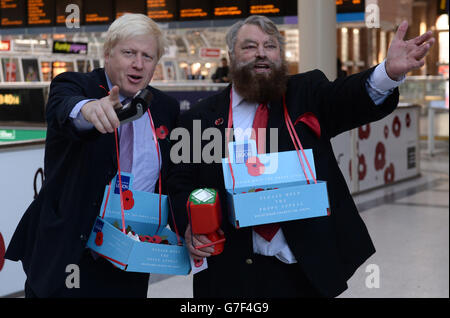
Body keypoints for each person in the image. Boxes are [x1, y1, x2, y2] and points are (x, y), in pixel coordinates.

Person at [167, 15, 434, 298]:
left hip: (302, 268)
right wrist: (190, 226)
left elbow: (346, 97)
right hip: (230, 270)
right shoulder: (200, 117)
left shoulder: (306, 93)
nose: (261, 53)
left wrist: (387, 73)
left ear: (280, 55)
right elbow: (179, 183)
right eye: (249, 46)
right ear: (231, 55)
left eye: (270, 46)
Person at [5, 13, 179, 298]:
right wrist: (88, 110)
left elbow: (172, 178)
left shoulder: (164, 108)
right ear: (107, 54)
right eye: (129, 53)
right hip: (69, 254)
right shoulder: (73, 85)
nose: (138, 63)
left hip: (129, 258)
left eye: (148, 56)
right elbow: (67, 109)